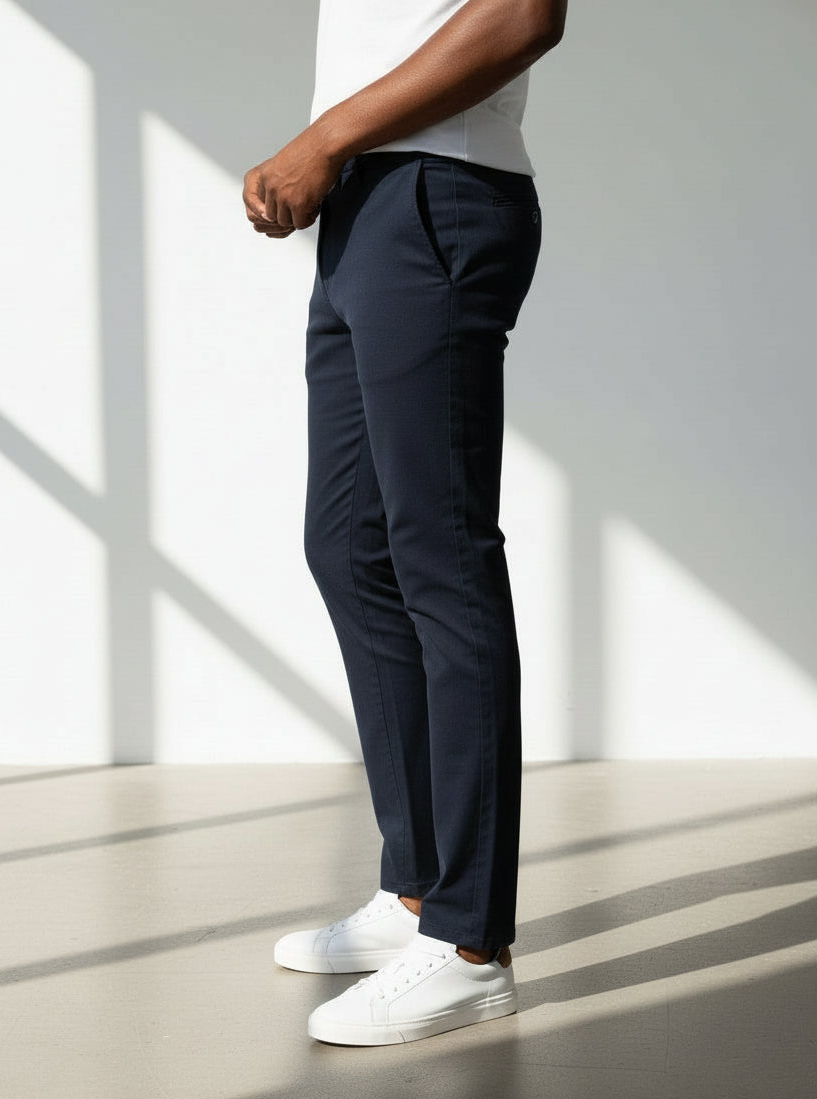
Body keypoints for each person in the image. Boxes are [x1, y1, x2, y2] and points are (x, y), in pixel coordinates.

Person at [242, 0, 567, 1046]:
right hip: (370, 197)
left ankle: (470, 944)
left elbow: (520, 15)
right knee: (349, 543)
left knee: (441, 555)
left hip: (435, 185)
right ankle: (420, 891)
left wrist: (326, 134)